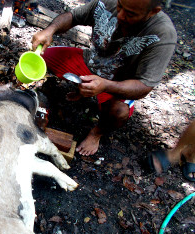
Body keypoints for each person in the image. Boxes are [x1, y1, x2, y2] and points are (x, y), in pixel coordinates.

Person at [30, 0, 176, 156]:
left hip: (117, 84)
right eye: (120, 6)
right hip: (90, 63)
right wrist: (50, 30)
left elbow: (144, 86)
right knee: (44, 56)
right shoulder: (108, 1)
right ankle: (84, 89)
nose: (120, 15)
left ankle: (96, 133)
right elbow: (73, 16)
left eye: (130, 14)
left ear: (153, 11)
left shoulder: (163, 34)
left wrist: (105, 85)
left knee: (119, 112)